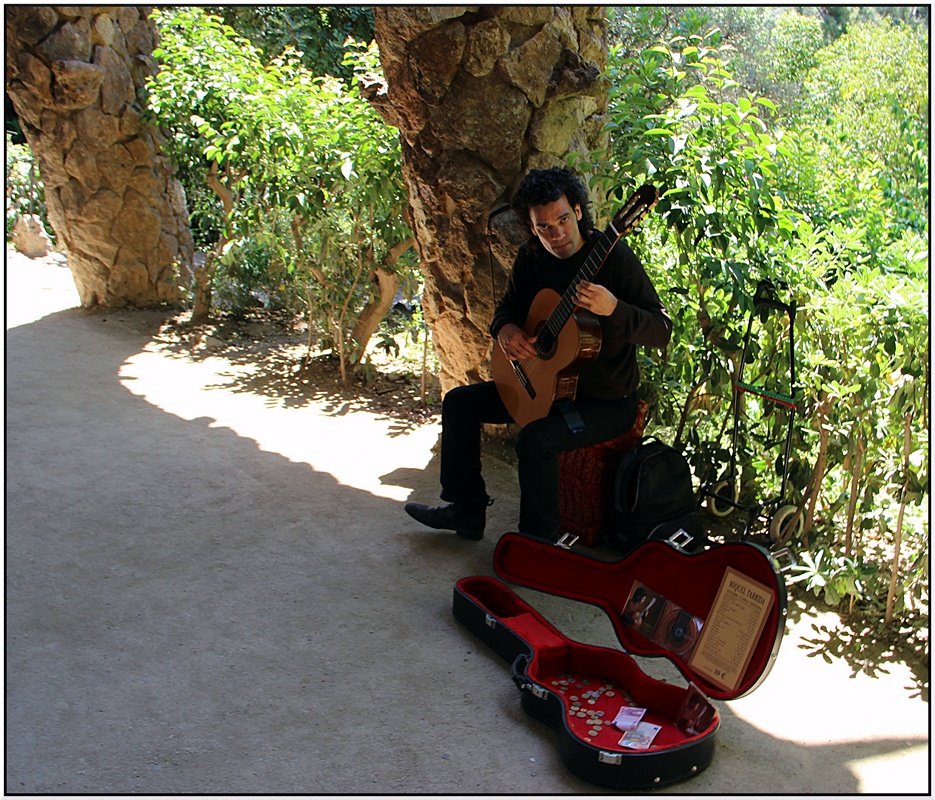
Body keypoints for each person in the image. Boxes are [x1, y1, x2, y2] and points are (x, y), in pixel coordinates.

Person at [405, 166, 672, 540]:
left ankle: (537, 544)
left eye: (563, 219)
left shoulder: (613, 257)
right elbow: (505, 311)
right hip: (540, 385)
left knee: (536, 441)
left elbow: (662, 331)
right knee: (459, 402)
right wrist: (507, 330)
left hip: (605, 401)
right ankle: (466, 511)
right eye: (543, 227)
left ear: (578, 211)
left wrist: (615, 308)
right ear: (531, 227)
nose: (556, 234)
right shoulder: (531, 258)